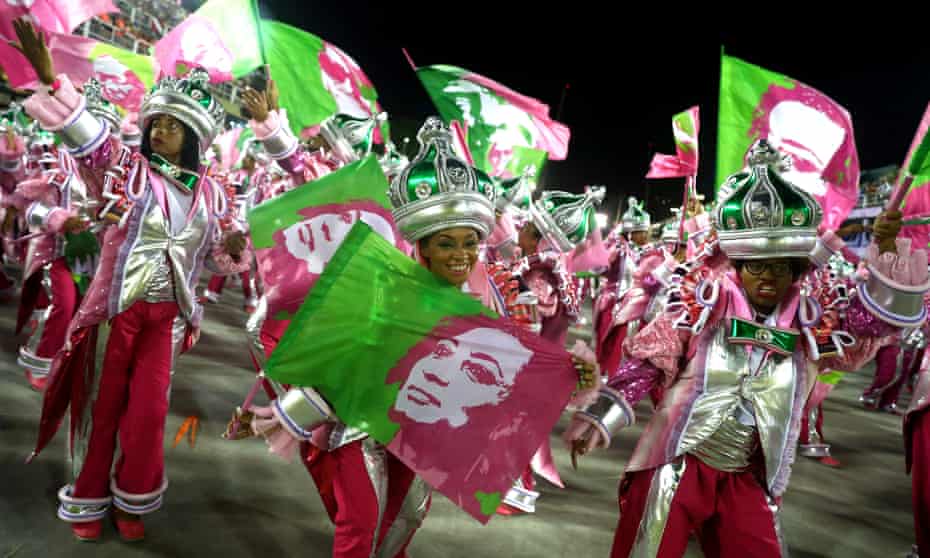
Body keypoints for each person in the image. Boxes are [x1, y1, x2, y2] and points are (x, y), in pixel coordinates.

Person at [239, 117, 596, 557]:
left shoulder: (491, 293)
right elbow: (340, 360)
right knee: (361, 523)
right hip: (360, 420)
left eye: (471, 243)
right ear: (423, 246)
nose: (462, 256)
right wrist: (282, 415)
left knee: (404, 521)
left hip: (424, 428)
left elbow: (517, 357)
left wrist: (571, 375)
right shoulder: (384, 285)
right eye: (448, 244)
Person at [566, 139, 925, 557]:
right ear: (737, 264)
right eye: (757, 266)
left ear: (796, 268)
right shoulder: (702, 302)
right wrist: (601, 419)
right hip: (676, 463)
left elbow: (868, 326)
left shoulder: (809, 318)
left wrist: (883, 249)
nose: (769, 278)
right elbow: (649, 360)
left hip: (746, 474)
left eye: (781, 266)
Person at [12, 18, 248, 543]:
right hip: (117, 309)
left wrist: (234, 249)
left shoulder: (214, 194)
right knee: (101, 407)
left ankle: (132, 495)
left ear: (193, 137)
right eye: (155, 122)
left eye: (171, 126)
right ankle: (89, 498)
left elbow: (217, 259)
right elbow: (89, 140)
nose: (159, 132)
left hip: (168, 319)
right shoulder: (126, 170)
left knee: (148, 413)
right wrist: (53, 80)